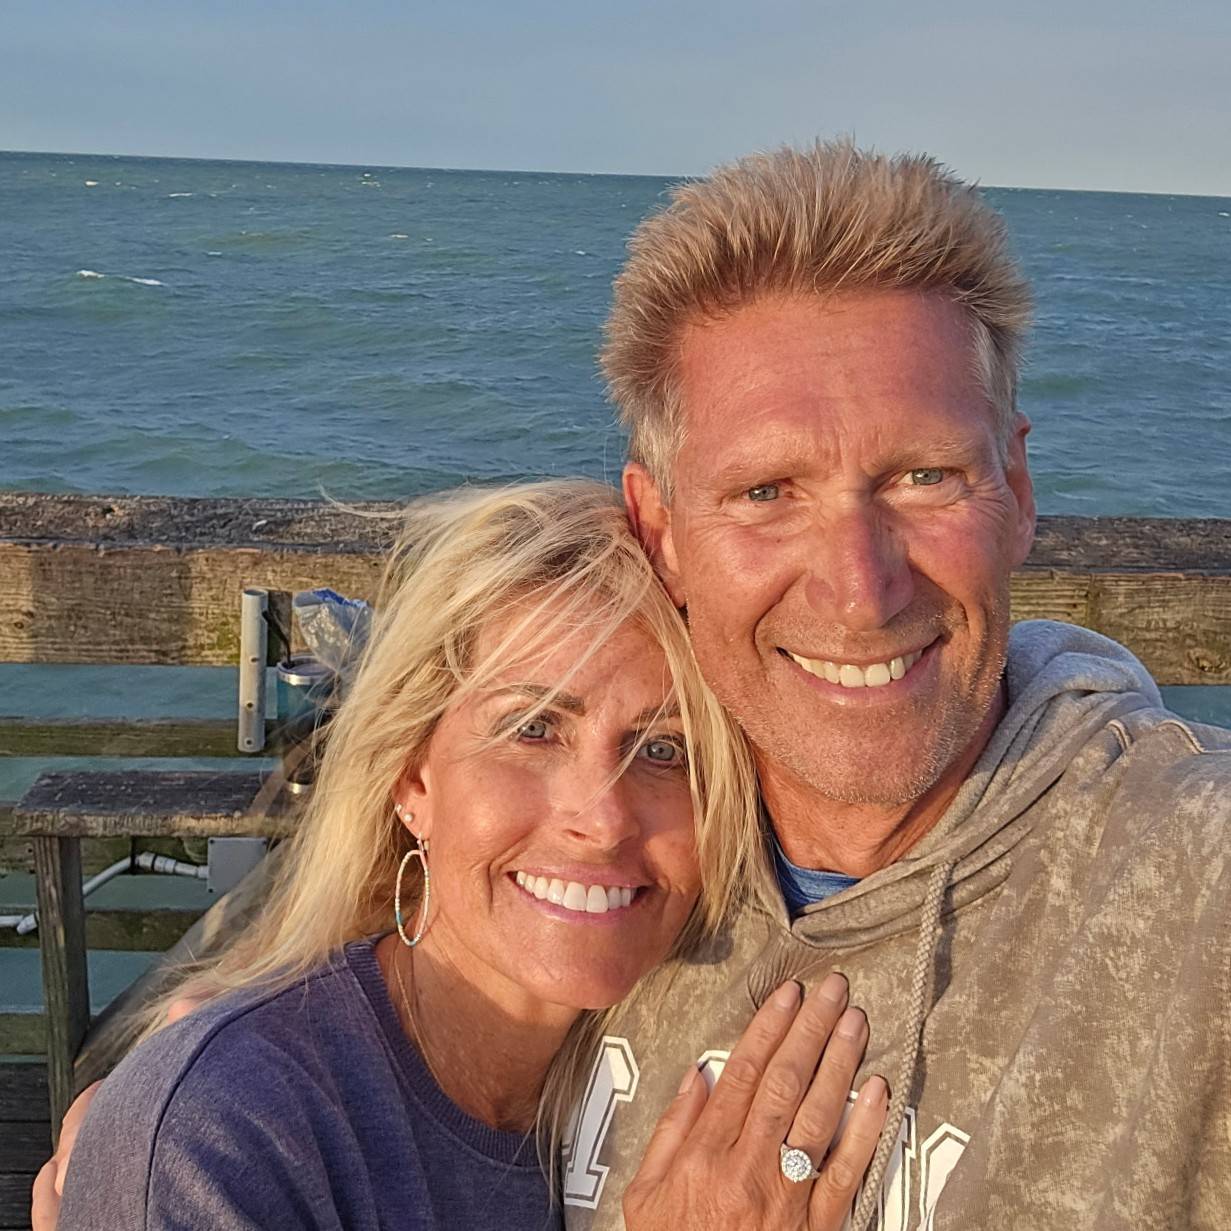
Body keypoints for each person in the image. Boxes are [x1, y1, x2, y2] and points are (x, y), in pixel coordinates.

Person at [562, 141, 1231, 1231]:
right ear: (660, 531)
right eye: (768, 490)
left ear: (1014, 489)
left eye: (924, 477)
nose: (861, 591)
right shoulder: (584, 869)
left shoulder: (1191, 884)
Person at [49, 480, 890, 1230]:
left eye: (665, 750)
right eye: (532, 729)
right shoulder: (230, 1132)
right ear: (413, 777)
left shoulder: (657, 1056)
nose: (600, 818)